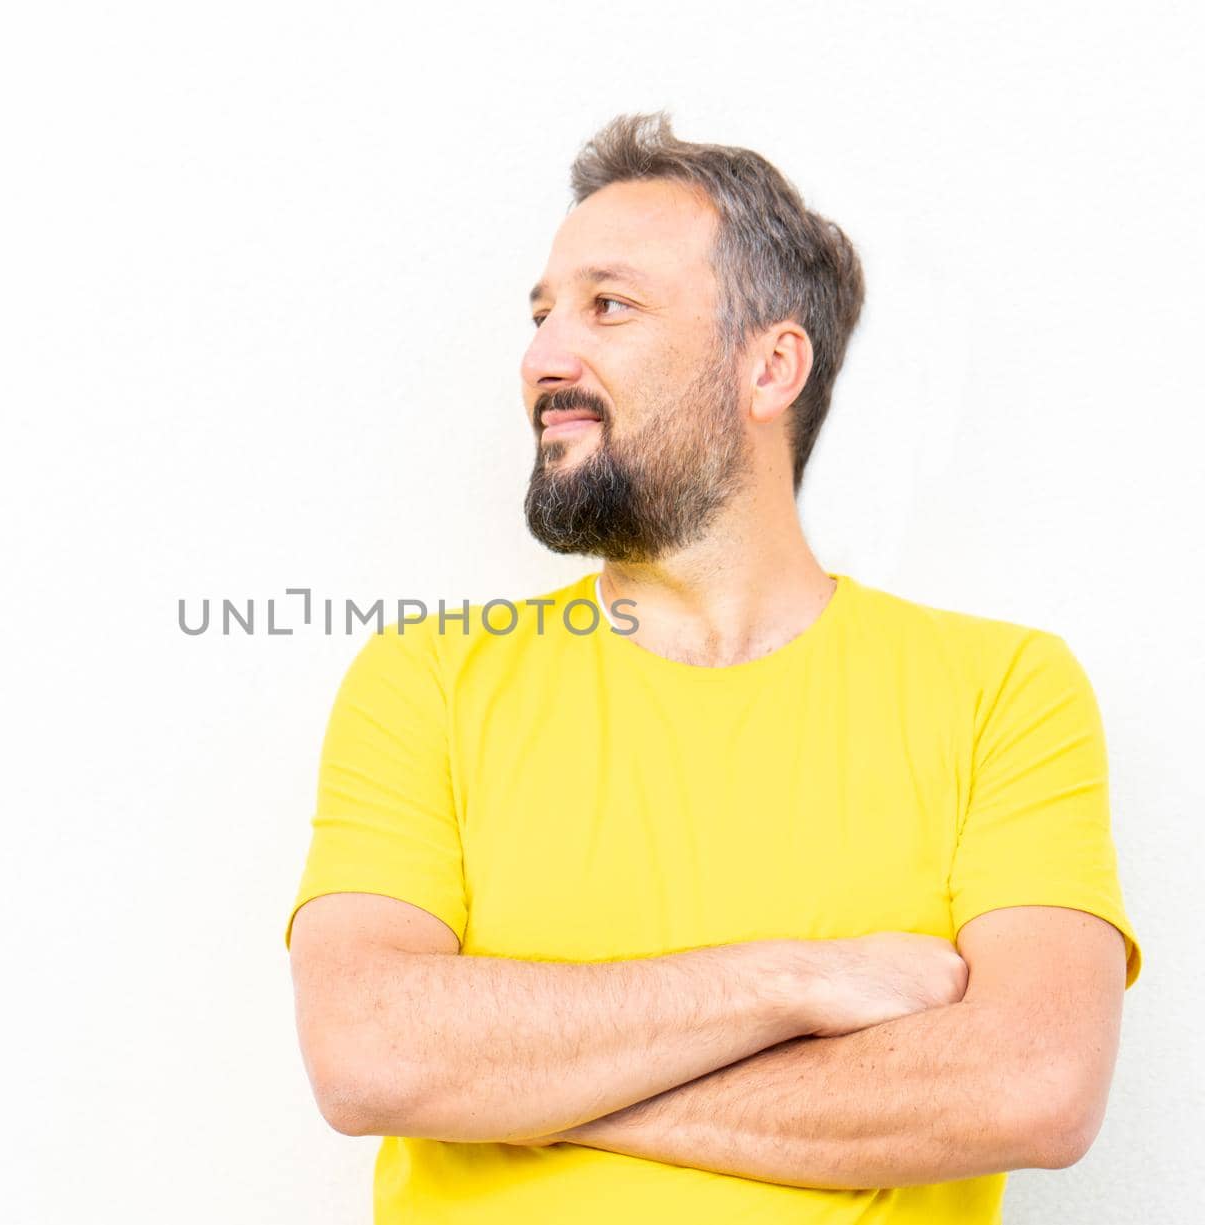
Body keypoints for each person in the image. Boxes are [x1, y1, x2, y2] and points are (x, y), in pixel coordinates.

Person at [282, 110, 1140, 1224]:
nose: (544, 354)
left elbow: (1033, 1085)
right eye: (542, 314)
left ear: (771, 364)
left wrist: (519, 1084)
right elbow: (366, 1053)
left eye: (609, 304)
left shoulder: (1001, 691)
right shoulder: (427, 681)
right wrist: (794, 982)